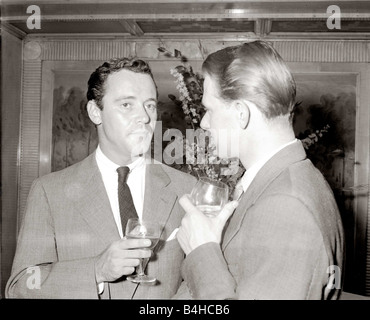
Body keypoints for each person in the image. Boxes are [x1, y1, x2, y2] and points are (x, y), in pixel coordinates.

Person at [6, 57, 196, 299]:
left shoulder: (186, 188)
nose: (145, 118)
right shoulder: (49, 192)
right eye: (127, 105)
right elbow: (21, 286)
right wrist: (95, 270)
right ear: (96, 112)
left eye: (149, 105)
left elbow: (198, 279)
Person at [175, 40, 345, 300]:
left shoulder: (286, 205)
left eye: (209, 109)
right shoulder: (280, 181)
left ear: (241, 113)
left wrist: (202, 251)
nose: (204, 122)